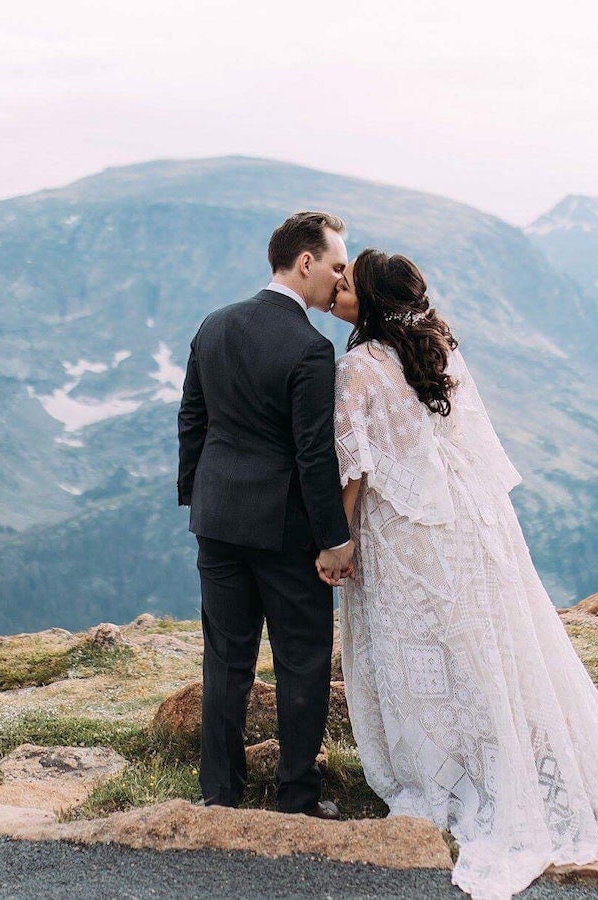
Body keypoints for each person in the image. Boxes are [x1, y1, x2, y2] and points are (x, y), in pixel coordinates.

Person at [328, 248, 598, 900]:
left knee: (420, 654)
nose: (338, 284)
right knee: (475, 649)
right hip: (469, 523)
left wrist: (340, 541)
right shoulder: (433, 347)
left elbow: (354, 465)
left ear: (371, 300)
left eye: (349, 281)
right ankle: (492, 762)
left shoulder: (358, 366)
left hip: (406, 532)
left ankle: (447, 775)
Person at [177, 211, 356, 818]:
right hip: (284, 531)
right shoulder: (310, 349)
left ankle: (220, 794)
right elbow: (314, 455)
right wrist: (335, 538)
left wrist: (197, 495)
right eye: (335, 266)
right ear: (304, 262)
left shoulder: (214, 326)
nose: (339, 280)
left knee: (225, 659)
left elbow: (193, 421)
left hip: (219, 519)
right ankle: (296, 798)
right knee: (301, 660)